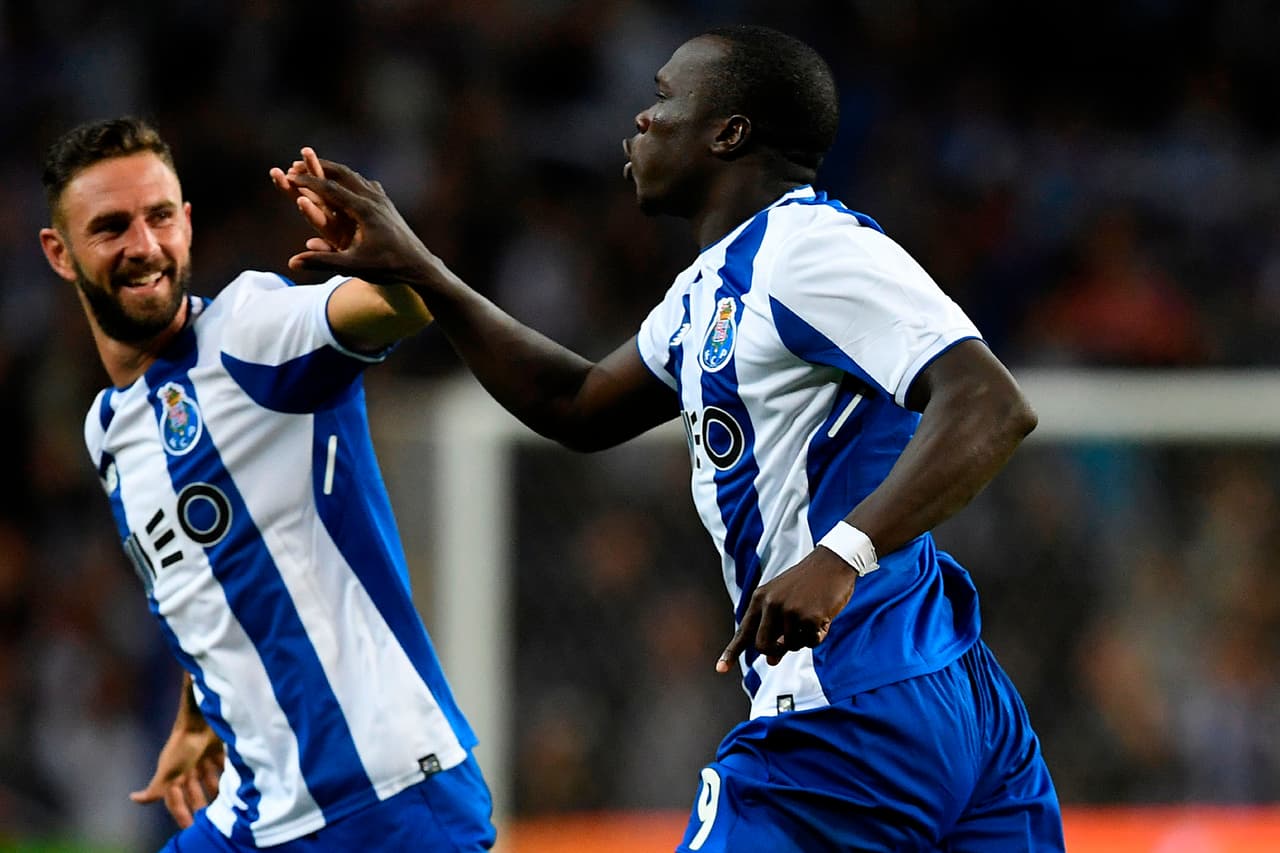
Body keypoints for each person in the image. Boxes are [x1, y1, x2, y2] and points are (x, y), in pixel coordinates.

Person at [280, 24, 1064, 852]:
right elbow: (575, 402)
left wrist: (842, 556)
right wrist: (424, 273)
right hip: (946, 701)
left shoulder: (810, 251)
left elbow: (988, 400)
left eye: (663, 98)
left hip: (851, 706)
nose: (642, 120)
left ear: (728, 134)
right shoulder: (710, 290)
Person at [37, 117, 495, 852]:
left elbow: (397, 309)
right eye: (111, 226)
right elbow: (218, 568)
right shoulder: (108, 428)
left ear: (186, 222)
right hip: (262, 808)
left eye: (159, 217)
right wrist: (198, 710)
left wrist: (381, 258)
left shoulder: (249, 330)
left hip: (385, 801)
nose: (144, 246)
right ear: (60, 254)